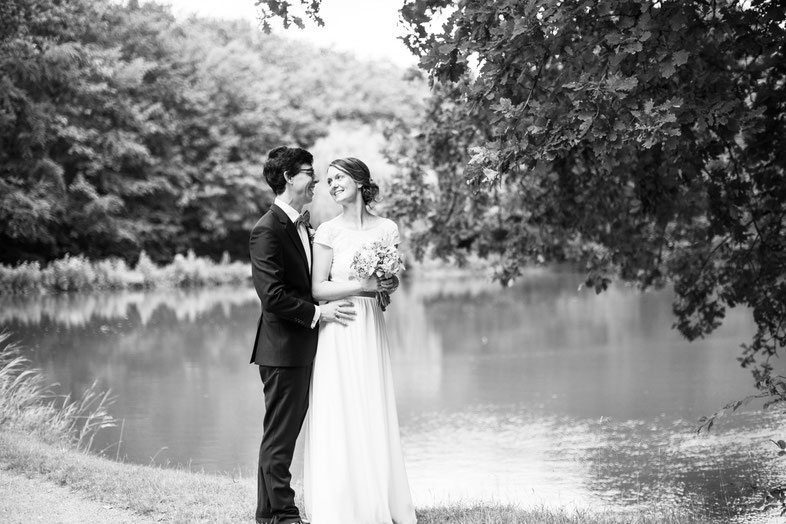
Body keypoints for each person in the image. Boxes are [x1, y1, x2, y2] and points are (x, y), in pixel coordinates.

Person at [304, 157, 417, 524]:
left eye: (338, 178)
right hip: (339, 326)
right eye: (328, 180)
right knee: (341, 406)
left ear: (359, 181)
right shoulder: (327, 231)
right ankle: (341, 506)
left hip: (370, 325)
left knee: (371, 403)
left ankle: (378, 500)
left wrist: (386, 286)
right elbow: (317, 288)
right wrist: (362, 286)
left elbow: (391, 282)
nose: (332, 184)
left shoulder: (387, 228)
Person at [249, 146, 357, 524]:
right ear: (290, 178)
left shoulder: (302, 225)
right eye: (310, 172)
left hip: (300, 347)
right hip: (282, 350)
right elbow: (273, 297)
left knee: (280, 433)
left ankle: (268, 513)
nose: (316, 181)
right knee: (280, 436)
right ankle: (283, 512)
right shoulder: (266, 229)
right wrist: (318, 313)